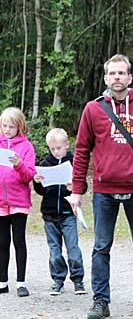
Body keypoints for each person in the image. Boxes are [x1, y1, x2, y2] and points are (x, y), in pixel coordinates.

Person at [71, 54, 133, 319]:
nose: (117, 77)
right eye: (112, 73)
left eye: (121, 73)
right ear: (105, 78)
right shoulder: (93, 109)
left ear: (130, 77)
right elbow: (81, 150)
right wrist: (76, 190)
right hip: (104, 191)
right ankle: (100, 302)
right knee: (101, 248)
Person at [33, 128, 87, 296]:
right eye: (52, 148)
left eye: (59, 147)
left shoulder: (74, 162)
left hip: (68, 213)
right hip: (49, 214)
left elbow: (83, 186)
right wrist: (37, 182)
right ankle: (58, 280)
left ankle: (78, 280)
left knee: (73, 249)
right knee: (54, 251)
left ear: (67, 145)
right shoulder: (44, 163)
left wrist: (75, 187)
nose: (56, 151)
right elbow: (41, 191)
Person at [0, 107, 36, 297]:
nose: (7, 130)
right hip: (0, 202)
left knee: (19, 241)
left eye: (11, 126)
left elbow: (29, 174)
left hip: (19, 201)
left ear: (19, 126)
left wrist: (18, 164)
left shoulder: (26, 147)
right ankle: (2, 281)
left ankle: (21, 282)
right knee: (2, 242)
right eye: (4, 126)